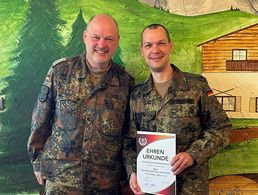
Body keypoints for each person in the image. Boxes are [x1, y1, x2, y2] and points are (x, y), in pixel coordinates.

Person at [27, 14, 135, 195]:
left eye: (109, 39)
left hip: (105, 183)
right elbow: (40, 119)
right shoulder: (61, 72)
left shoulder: (125, 82)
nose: (102, 44)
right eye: (96, 37)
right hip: (62, 179)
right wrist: (37, 162)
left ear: (117, 41)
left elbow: (128, 135)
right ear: (85, 37)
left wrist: (130, 173)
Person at [128, 24, 232, 195]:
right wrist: (132, 172)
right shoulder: (137, 95)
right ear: (142, 51)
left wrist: (193, 154)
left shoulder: (196, 86)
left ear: (170, 46)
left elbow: (222, 128)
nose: (155, 50)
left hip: (190, 189)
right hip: (152, 189)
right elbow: (129, 142)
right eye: (149, 45)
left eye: (161, 43)